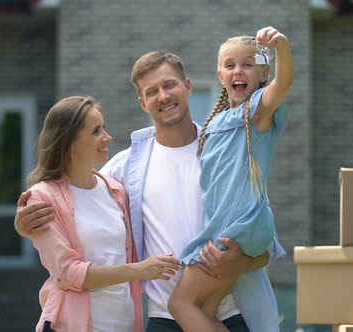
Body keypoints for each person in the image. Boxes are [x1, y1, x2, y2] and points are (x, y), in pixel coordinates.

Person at [15, 47, 286, 331]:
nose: (163, 96)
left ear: (188, 87)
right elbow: (71, 202)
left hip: (230, 313)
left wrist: (240, 263)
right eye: (152, 91)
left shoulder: (227, 152)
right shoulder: (123, 170)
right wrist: (26, 226)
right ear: (143, 103)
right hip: (163, 320)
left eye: (169, 85)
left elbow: (263, 237)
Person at [168, 26, 294, 332]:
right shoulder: (218, 121)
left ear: (263, 74)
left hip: (236, 227)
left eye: (248, 64)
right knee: (205, 310)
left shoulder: (257, 111)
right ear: (220, 76)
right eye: (230, 65)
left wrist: (282, 47)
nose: (238, 70)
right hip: (230, 226)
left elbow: (284, 82)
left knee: (180, 304)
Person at [24, 96, 180, 332]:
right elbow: (68, 273)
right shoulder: (43, 197)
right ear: (69, 141)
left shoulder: (115, 190)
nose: (107, 137)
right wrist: (139, 269)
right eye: (96, 131)